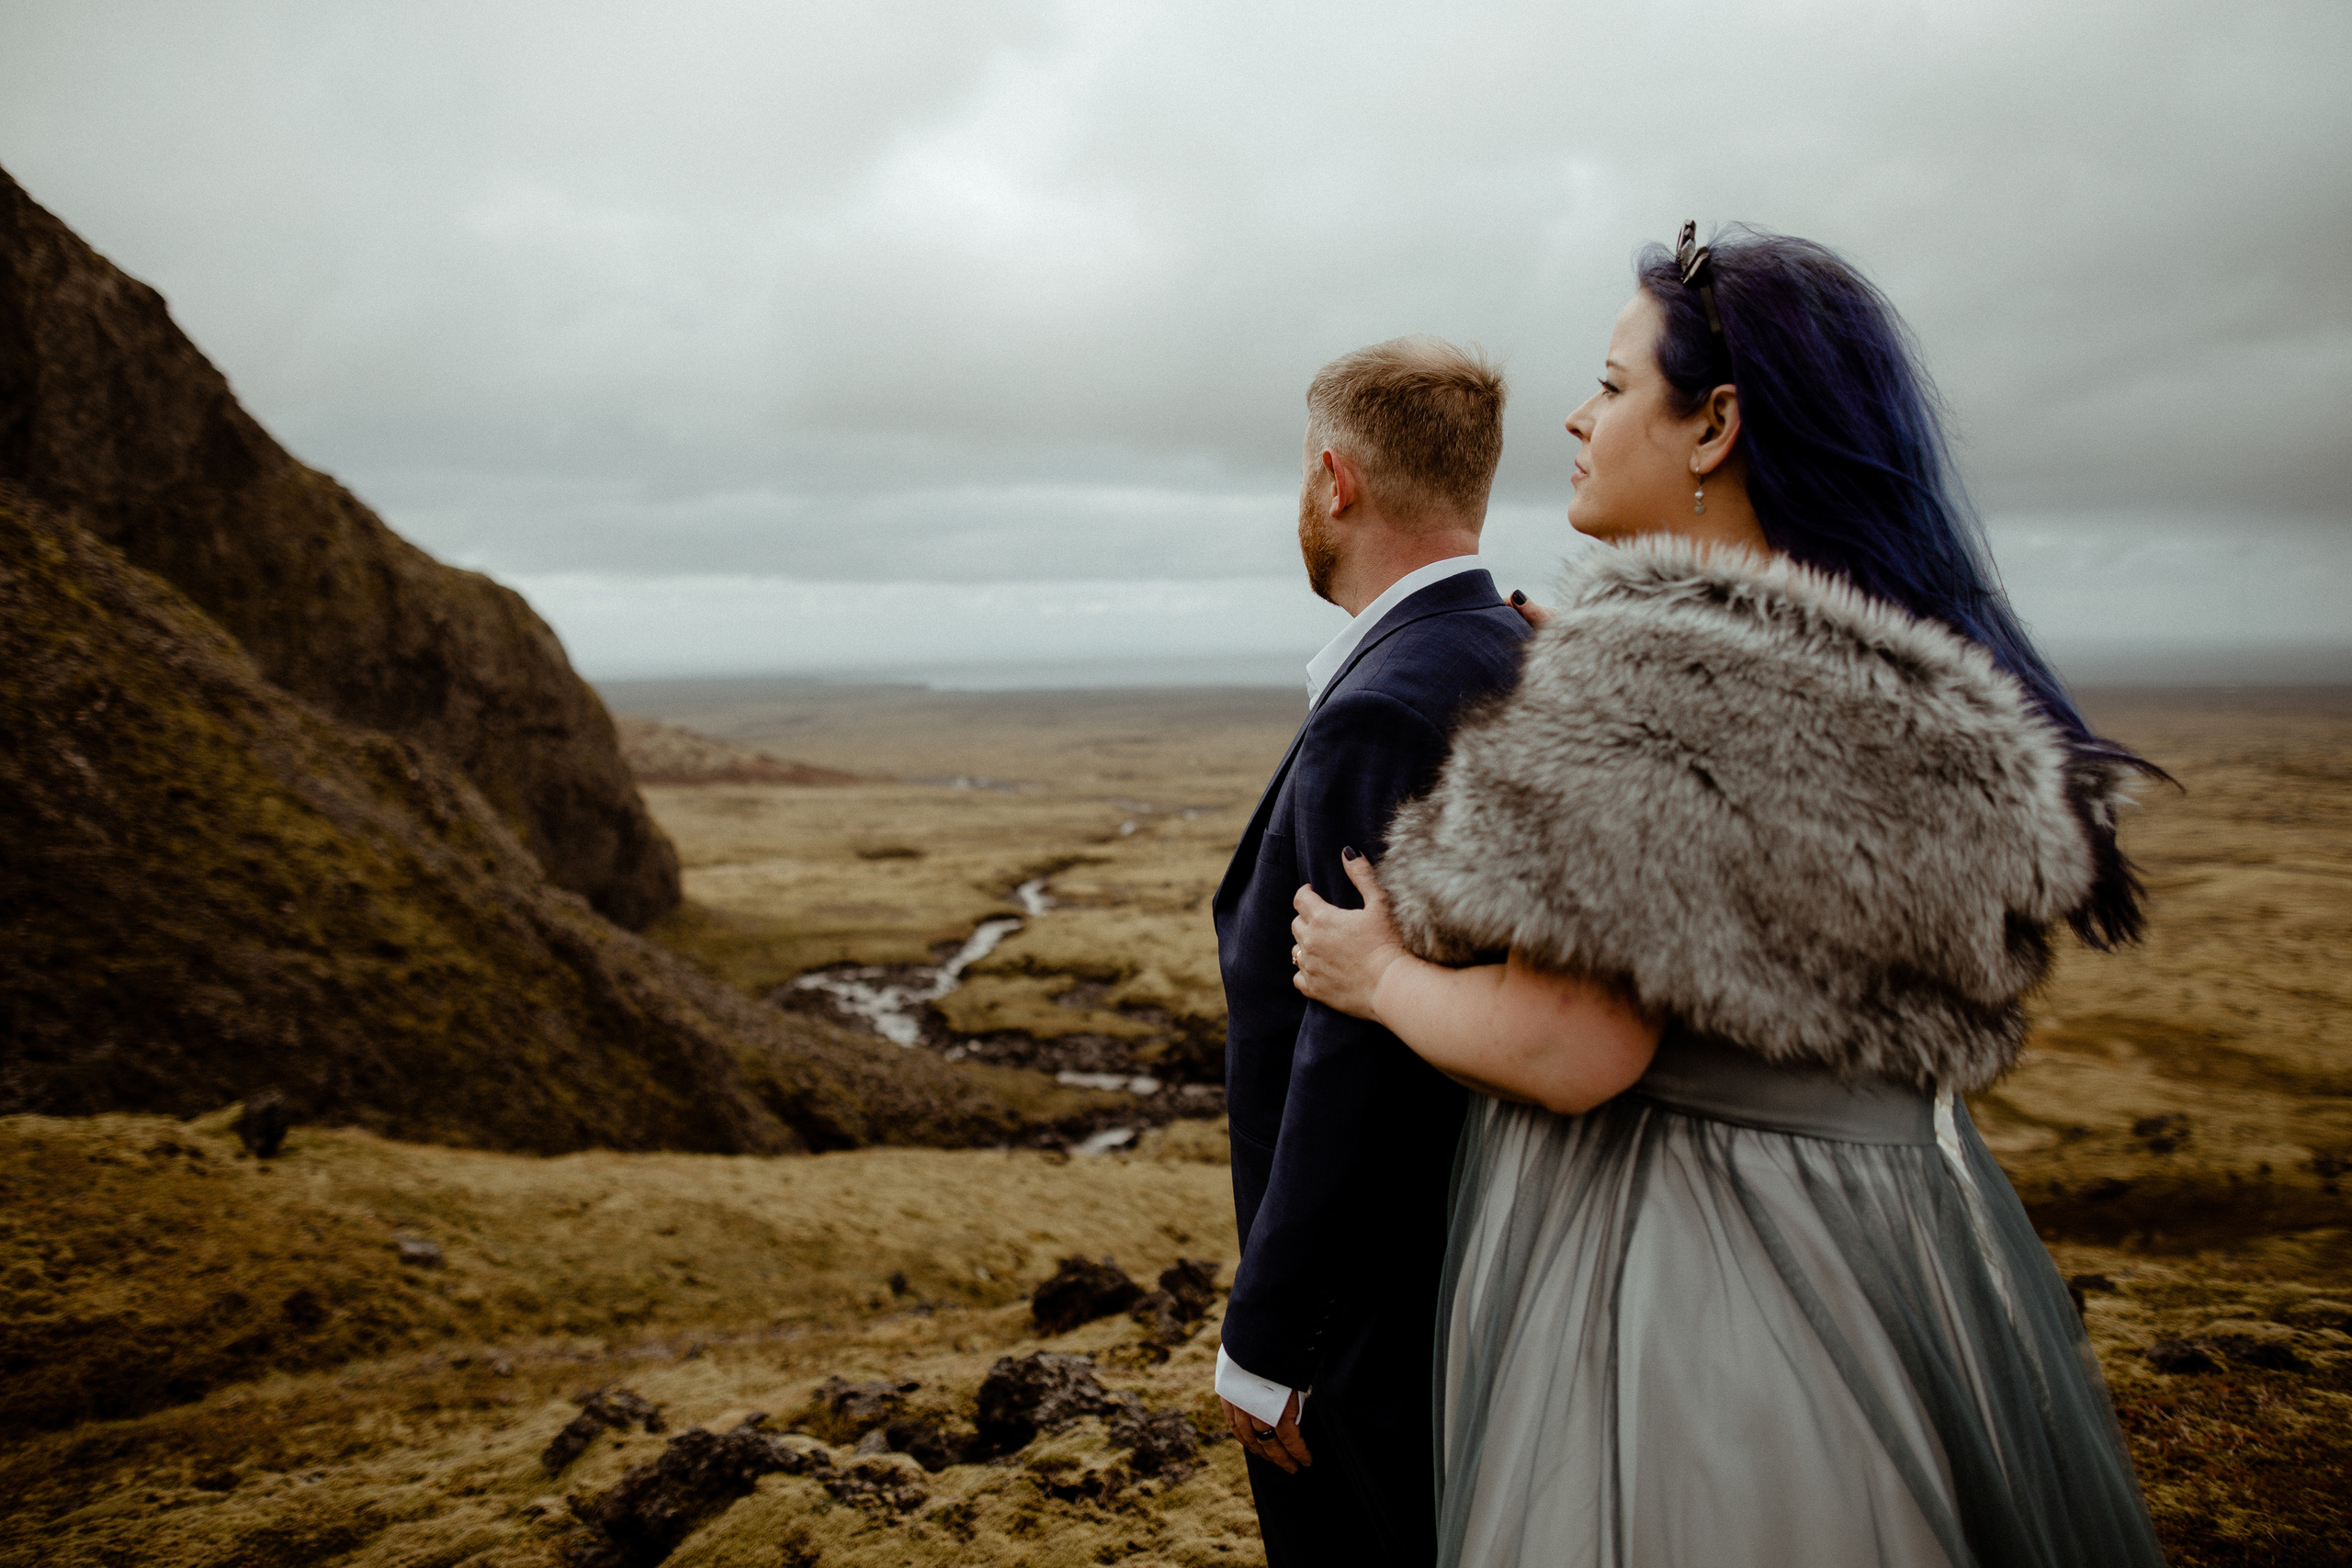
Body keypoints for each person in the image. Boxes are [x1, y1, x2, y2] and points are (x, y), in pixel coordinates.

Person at [1289, 227, 2168, 1568]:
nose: (1578, 420)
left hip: (1693, 1279)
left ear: (1715, 427)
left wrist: (1381, 974)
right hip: (1899, 1257)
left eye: (1613, 385)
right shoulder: (1911, 688)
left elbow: (1571, 1048)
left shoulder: (1653, 687)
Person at [1215, 335, 1533, 1567]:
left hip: (1368, 1323)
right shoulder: (1505, 648)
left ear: (1336, 480)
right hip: (1460, 1273)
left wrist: (1273, 1341)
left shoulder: (1386, 706)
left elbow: (1348, 1053)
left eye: (1305, 468)